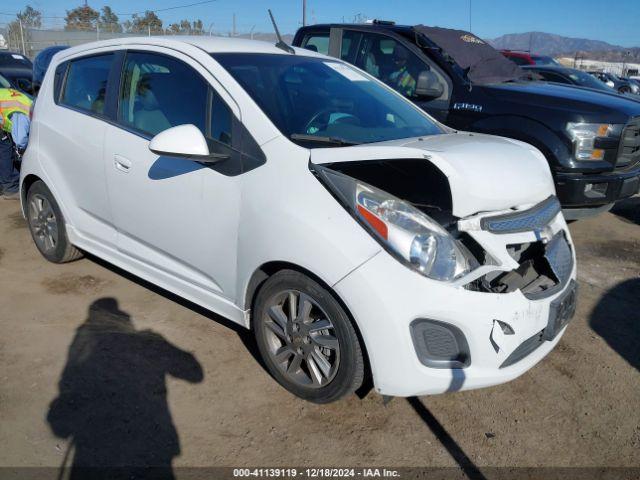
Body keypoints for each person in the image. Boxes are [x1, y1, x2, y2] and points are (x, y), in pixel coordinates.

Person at [0, 87, 32, 200]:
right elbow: (20, 140)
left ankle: (6, 184)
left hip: (3, 117)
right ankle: (10, 188)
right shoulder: (25, 113)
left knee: (5, 147)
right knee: (4, 150)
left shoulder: (29, 103)